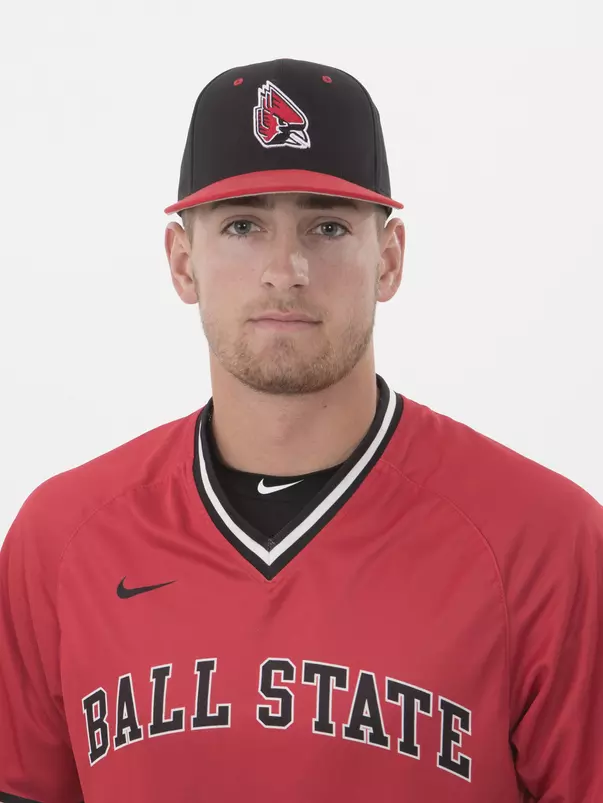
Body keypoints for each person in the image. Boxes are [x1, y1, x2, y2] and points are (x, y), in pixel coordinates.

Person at [0, 57, 601, 803]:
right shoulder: (59, 541)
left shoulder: (544, 542)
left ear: (389, 260)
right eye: (243, 226)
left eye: (327, 226)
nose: (285, 270)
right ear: (182, 263)